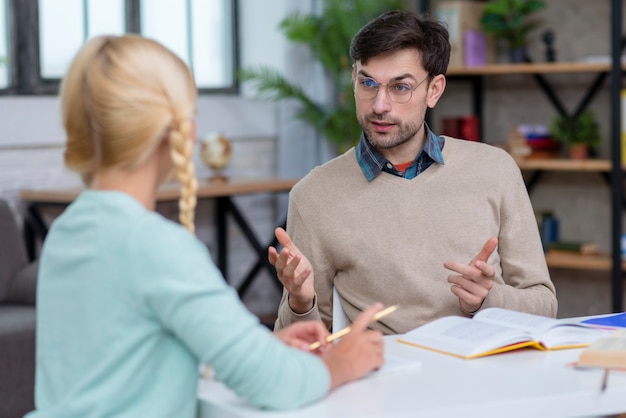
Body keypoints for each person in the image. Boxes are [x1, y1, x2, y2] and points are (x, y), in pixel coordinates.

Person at [26, 34, 385, 418]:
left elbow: (125, 362)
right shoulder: (156, 246)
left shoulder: (66, 231)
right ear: (176, 132)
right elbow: (273, 385)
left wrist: (259, 349)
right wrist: (341, 363)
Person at [270, 10, 558, 335]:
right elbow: (297, 346)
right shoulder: (314, 196)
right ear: (353, 79)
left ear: (434, 90)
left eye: (400, 87)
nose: (379, 104)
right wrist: (300, 301)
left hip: (485, 372)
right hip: (386, 378)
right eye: (368, 83)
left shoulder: (495, 170)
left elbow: (544, 305)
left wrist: (489, 298)